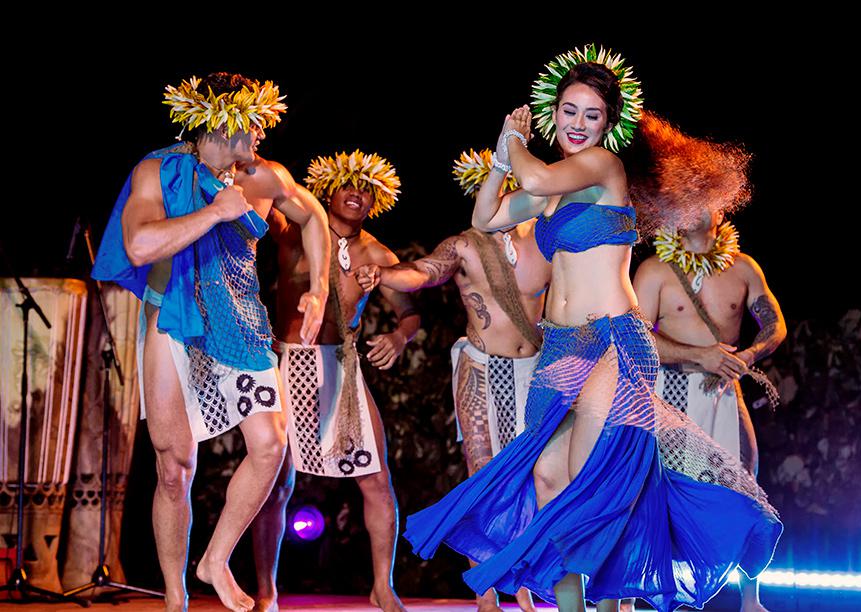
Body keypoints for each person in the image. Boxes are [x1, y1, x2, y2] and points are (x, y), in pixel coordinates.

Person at [403, 45, 782, 612]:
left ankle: (614, 600)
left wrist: (514, 140)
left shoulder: (603, 168)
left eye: (592, 114)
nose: (578, 123)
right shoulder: (549, 189)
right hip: (561, 345)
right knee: (547, 477)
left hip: (613, 341)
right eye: (569, 111)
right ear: (553, 112)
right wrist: (502, 163)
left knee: (590, 479)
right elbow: (484, 218)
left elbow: (534, 170)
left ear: (608, 124)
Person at [92, 73, 327, 612]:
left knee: (270, 445)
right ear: (223, 122)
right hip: (173, 319)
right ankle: (175, 597)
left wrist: (317, 289)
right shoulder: (157, 171)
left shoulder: (264, 177)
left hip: (240, 322)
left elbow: (312, 215)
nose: (262, 132)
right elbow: (138, 244)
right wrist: (216, 212)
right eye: (255, 123)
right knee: (174, 468)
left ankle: (215, 560)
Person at [355, 148, 550, 611]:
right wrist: (384, 274)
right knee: (483, 475)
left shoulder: (546, 241)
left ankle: (524, 584)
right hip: (481, 368)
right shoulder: (463, 246)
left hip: (535, 371)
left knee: (535, 478)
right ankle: (485, 594)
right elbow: (424, 273)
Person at [251, 150, 418, 612]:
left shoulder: (377, 254)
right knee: (273, 483)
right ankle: (266, 591)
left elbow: (409, 310)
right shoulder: (294, 231)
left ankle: (382, 586)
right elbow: (271, 192)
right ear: (328, 191)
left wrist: (399, 337)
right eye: (348, 185)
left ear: (375, 202)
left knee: (377, 479)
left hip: (341, 368)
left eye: (365, 190)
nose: (356, 195)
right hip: (286, 363)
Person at [633, 208, 787, 612]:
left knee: (745, 488)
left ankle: (750, 599)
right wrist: (699, 354)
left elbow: (775, 324)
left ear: (721, 208)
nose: (694, 206)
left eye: (704, 198)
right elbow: (635, 337)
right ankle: (658, 594)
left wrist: (749, 355)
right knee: (666, 494)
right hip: (670, 394)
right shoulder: (655, 270)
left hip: (723, 392)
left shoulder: (743, 267)